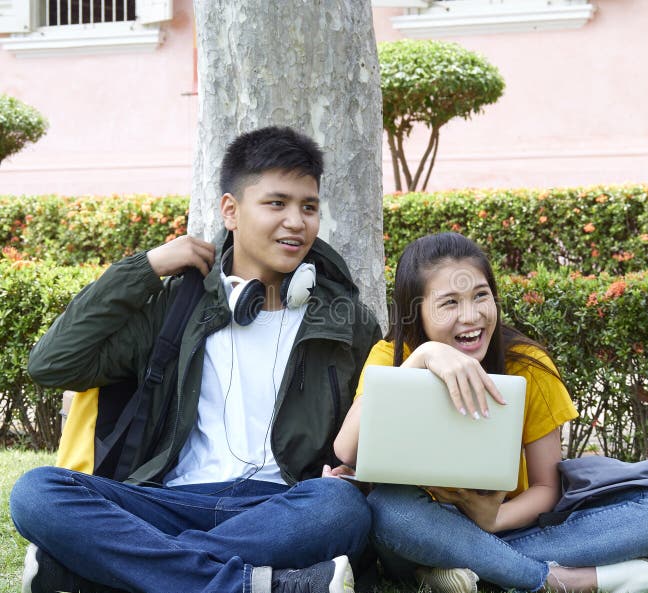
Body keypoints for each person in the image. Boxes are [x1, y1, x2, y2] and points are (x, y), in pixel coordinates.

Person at [10, 126, 382, 593]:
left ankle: (115, 572)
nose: (296, 221)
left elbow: (373, 428)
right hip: (169, 499)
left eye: (309, 207)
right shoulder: (177, 306)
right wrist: (144, 268)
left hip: (282, 505)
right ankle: (253, 584)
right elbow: (52, 363)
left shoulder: (348, 321)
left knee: (340, 508)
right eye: (277, 203)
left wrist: (354, 470)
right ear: (231, 210)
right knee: (37, 493)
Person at [334, 233, 648, 593]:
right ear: (417, 311)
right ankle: (554, 580)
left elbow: (546, 487)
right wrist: (424, 357)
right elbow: (346, 450)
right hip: (423, 521)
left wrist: (494, 519)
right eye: (449, 303)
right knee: (389, 511)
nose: (471, 317)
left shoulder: (527, 364)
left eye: (481, 296)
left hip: (510, 522)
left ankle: (459, 567)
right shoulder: (394, 355)